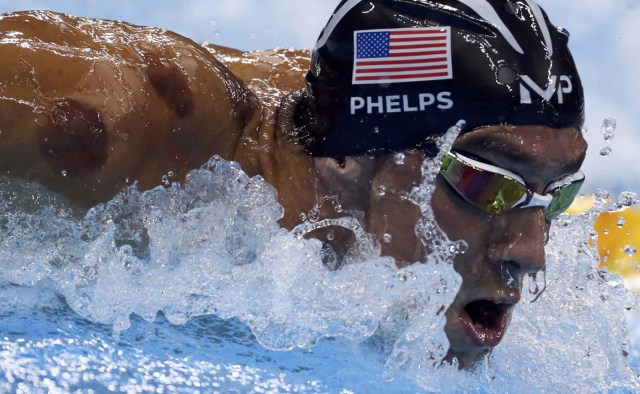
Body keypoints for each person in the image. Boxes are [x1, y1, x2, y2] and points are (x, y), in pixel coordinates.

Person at [0, 0, 587, 368]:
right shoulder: (117, 122)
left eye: (553, 193)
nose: (532, 253)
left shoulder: (346, 120)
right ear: (345, 162)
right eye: (487, 185)